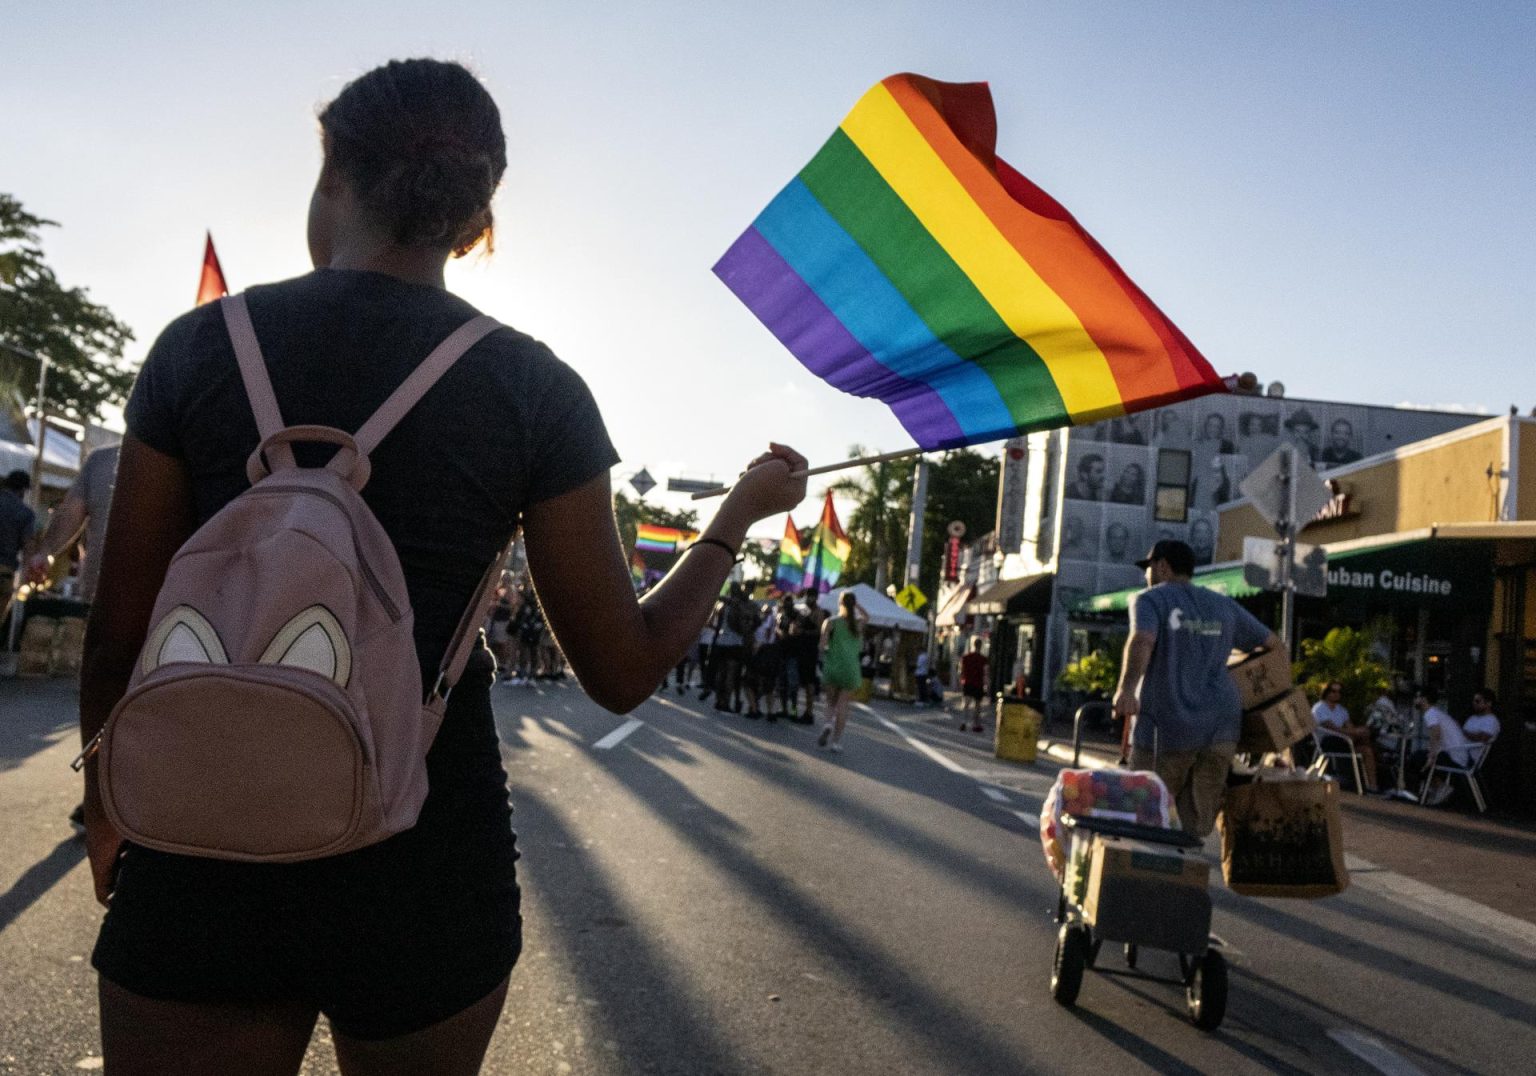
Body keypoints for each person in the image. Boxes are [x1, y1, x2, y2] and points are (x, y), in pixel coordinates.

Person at [76, 58, 807, 1072]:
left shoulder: (198, 349)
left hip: (199, 838)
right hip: (422, 853)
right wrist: (736, 515)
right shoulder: (533, 387)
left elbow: (119, 630)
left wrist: (108, 802)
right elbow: (621, 664)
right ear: (475, 223)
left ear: (334, 169)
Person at [1112, 539, 1279, 837]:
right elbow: (1272, 645)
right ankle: (1185, 876)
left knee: (1145, 814)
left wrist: (1126, 690)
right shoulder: (1223, 604)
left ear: (1162, 566)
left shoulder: (1150, 599)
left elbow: (1142, 641)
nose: (1146, 576)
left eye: (1148, 568)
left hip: (1165, 728)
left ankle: (1147, 876)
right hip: (1221, 730)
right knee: (1194, 827)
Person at [26, 443, 120, 600]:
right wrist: (45, 552)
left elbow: (71, 513)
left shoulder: (173, 461)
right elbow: (70, 514)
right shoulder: (101, 460)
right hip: (97, 597)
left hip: (162, 608)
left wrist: (45, 552)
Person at [817, 590, 867, 752]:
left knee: (830, 702)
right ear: (854, 604)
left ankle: (827, 724)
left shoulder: (831, 622)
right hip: (850, 668)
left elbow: (822, 646)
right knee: (843, 705)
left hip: (833, 666)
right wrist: (856, 605)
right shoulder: (858, 623)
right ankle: (836, 742)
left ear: (840, 603)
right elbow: (867, 617)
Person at [1311, 681, 1378, 793]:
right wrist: (1354, 732)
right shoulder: (1319, 708)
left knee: (1367, 750)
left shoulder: (1341, 710)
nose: (1336, 694)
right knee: (1361, 735)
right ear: (1326, 692)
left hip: (1344, 741)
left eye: (1339, 691)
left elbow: (1349, 726)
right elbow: (1331, 728)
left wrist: (1357, 732)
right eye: (1333, 691)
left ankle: (1373, 786)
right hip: (1327, 741)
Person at [1409, 686, 1471, 805]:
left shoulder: (1430, 713)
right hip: (1457, 755)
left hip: (1453, 757)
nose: (1414, 700)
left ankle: (1439, 786)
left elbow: (1435, 733)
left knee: (1416, 758)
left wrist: (1431, 756)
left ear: (1424, 699)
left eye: (1417, 697)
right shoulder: (1437, 713)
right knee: (1420, 756)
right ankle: (1432, 787)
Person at [1, 469, 37, 596]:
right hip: (4, 570)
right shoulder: (25, 513)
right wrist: (26, 577)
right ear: (23, 490)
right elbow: (28, 545)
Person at [958, 637, 988, 732]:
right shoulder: (983, 659)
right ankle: (975, 724)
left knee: (966, 703)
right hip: (978, 684)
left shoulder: (966, 657)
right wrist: (986, 685)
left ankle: (963, 722)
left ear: (973, 645)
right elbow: (985, 673)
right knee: (977, 705)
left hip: (968, 682)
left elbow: (961, 671)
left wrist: (961, 681)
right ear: (981, 646)